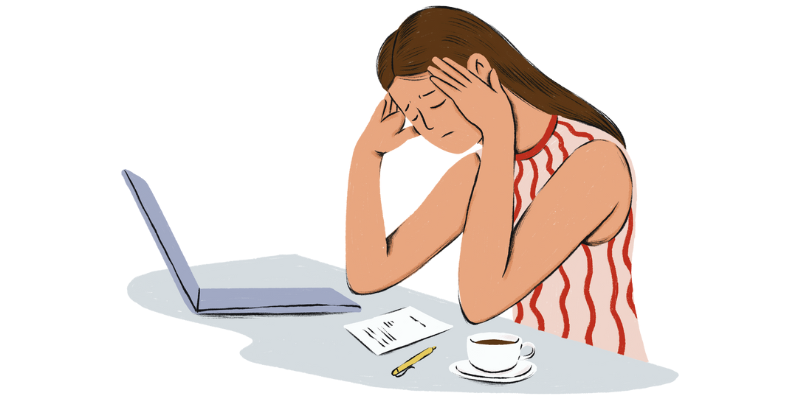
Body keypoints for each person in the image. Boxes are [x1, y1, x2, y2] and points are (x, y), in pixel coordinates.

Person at [345, 6, 647, 361]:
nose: (428, 128)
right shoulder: (480, 169)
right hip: (527, 370)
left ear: (480, 71)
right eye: (413, 116)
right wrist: (367, 154)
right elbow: (368, 275)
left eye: (435, 102)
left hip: (602, 375)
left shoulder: (596, 162)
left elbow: (479, 302)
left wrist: (499, 127)